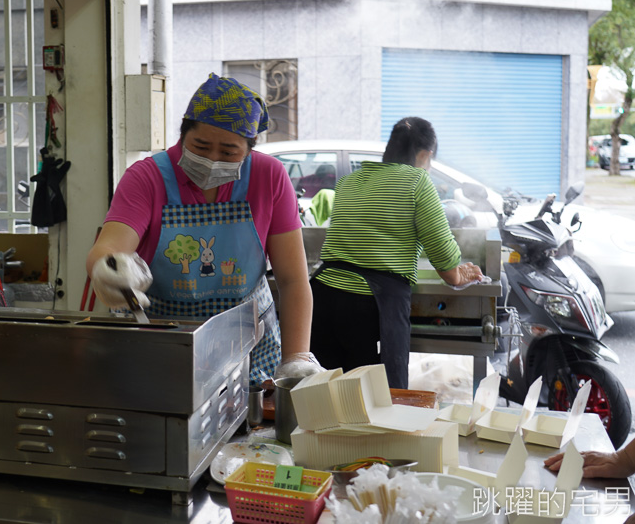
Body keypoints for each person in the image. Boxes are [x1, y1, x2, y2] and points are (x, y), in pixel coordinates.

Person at [86, 73, 321, 386]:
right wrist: (107, 269)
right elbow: (109, 247)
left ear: (250, 149)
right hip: (162, 341)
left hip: (245, 346)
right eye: (200, 146)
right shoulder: (146, 177)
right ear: (183, 135)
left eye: (228, 152)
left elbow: (293, 280)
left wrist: (296, 358)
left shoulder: (269, 176)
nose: (212, 160)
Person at [310, 116, 484, 389]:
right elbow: (444, 258)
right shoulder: (417, 181)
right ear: (425, 155)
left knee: (327, 398)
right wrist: (460, 273)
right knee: (377, 402)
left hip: (322, 299)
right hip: (368, 308)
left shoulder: (349, 181)